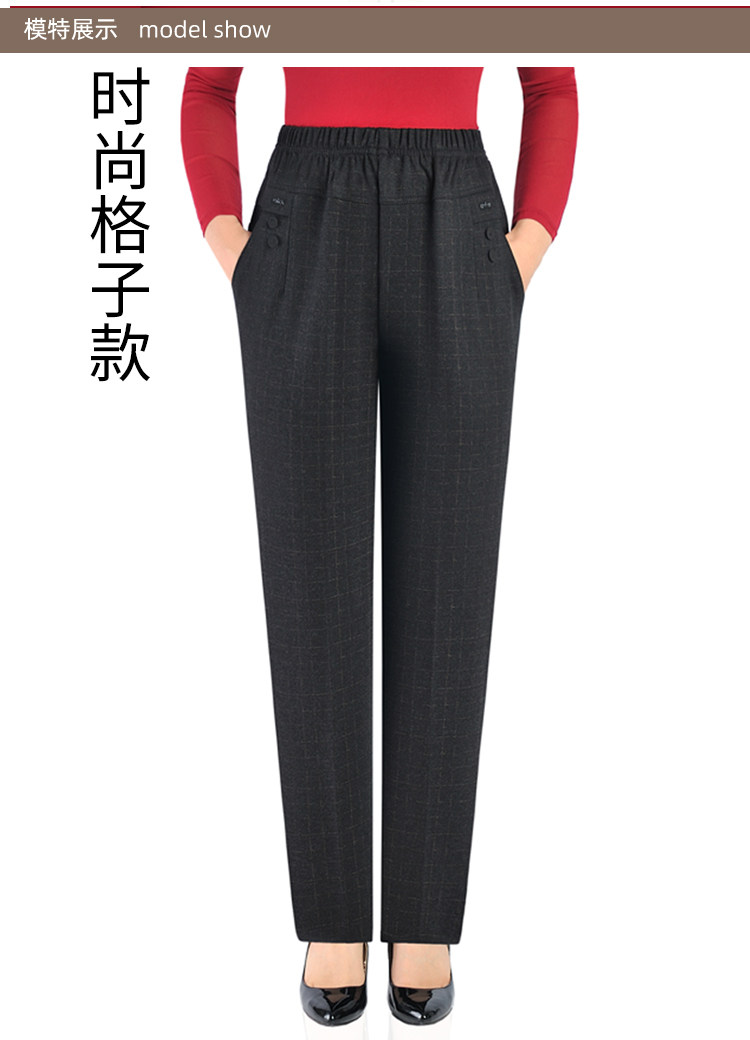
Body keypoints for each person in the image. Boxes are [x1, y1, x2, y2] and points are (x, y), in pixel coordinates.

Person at [181, 66, 578, 1026]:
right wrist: (236, 248)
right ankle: (331, 920)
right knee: (310, 582)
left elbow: (551, 85)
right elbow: (208, 85)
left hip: (458, 219)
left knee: (449, 581)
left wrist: (523, 248)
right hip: (304, 217)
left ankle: (423, 918)